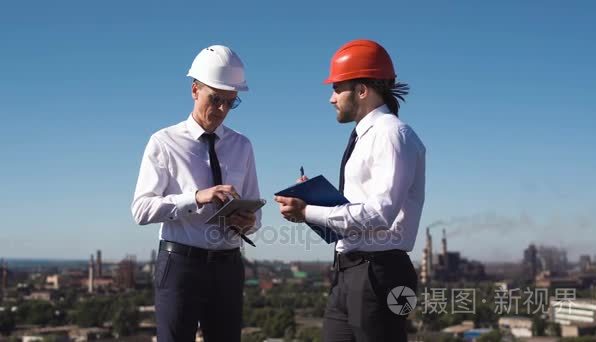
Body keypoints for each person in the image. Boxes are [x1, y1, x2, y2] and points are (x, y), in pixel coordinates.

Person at [275, 39, 425, 341]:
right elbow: (361, 207)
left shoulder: (392, 135)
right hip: (349, 271)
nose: (331, 99)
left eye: (336, 88)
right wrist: (312, 209)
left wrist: (310, 210)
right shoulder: (366, 137)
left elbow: (381, 214)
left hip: (380, 273)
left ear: (361, 90)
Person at [131, 45, 261, 342]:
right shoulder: (163, 142)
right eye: (215, 99)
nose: (222, 110)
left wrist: (248, 221)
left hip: (228, 266)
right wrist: (196, 197)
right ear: (194, 90)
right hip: (180, 267)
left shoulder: (243, 146)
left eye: (231, 102)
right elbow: (141, 210)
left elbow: (257, 213)